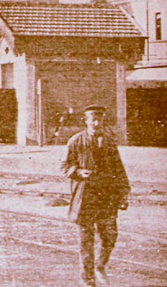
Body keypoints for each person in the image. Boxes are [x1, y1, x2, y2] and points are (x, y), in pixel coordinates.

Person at [61, 105, 130, 287]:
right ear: (86, 120)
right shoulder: (76, 141)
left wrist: (123, 193)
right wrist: (78, 171)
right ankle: (88, 278)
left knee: (110, 236)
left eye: (100, 119)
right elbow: (64, 167)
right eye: (93, 119)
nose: (97, 123)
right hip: (85, 198)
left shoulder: (109, 141)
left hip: (107, 197)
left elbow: (118, 169)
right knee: (86, 240)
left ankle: (100, 265)